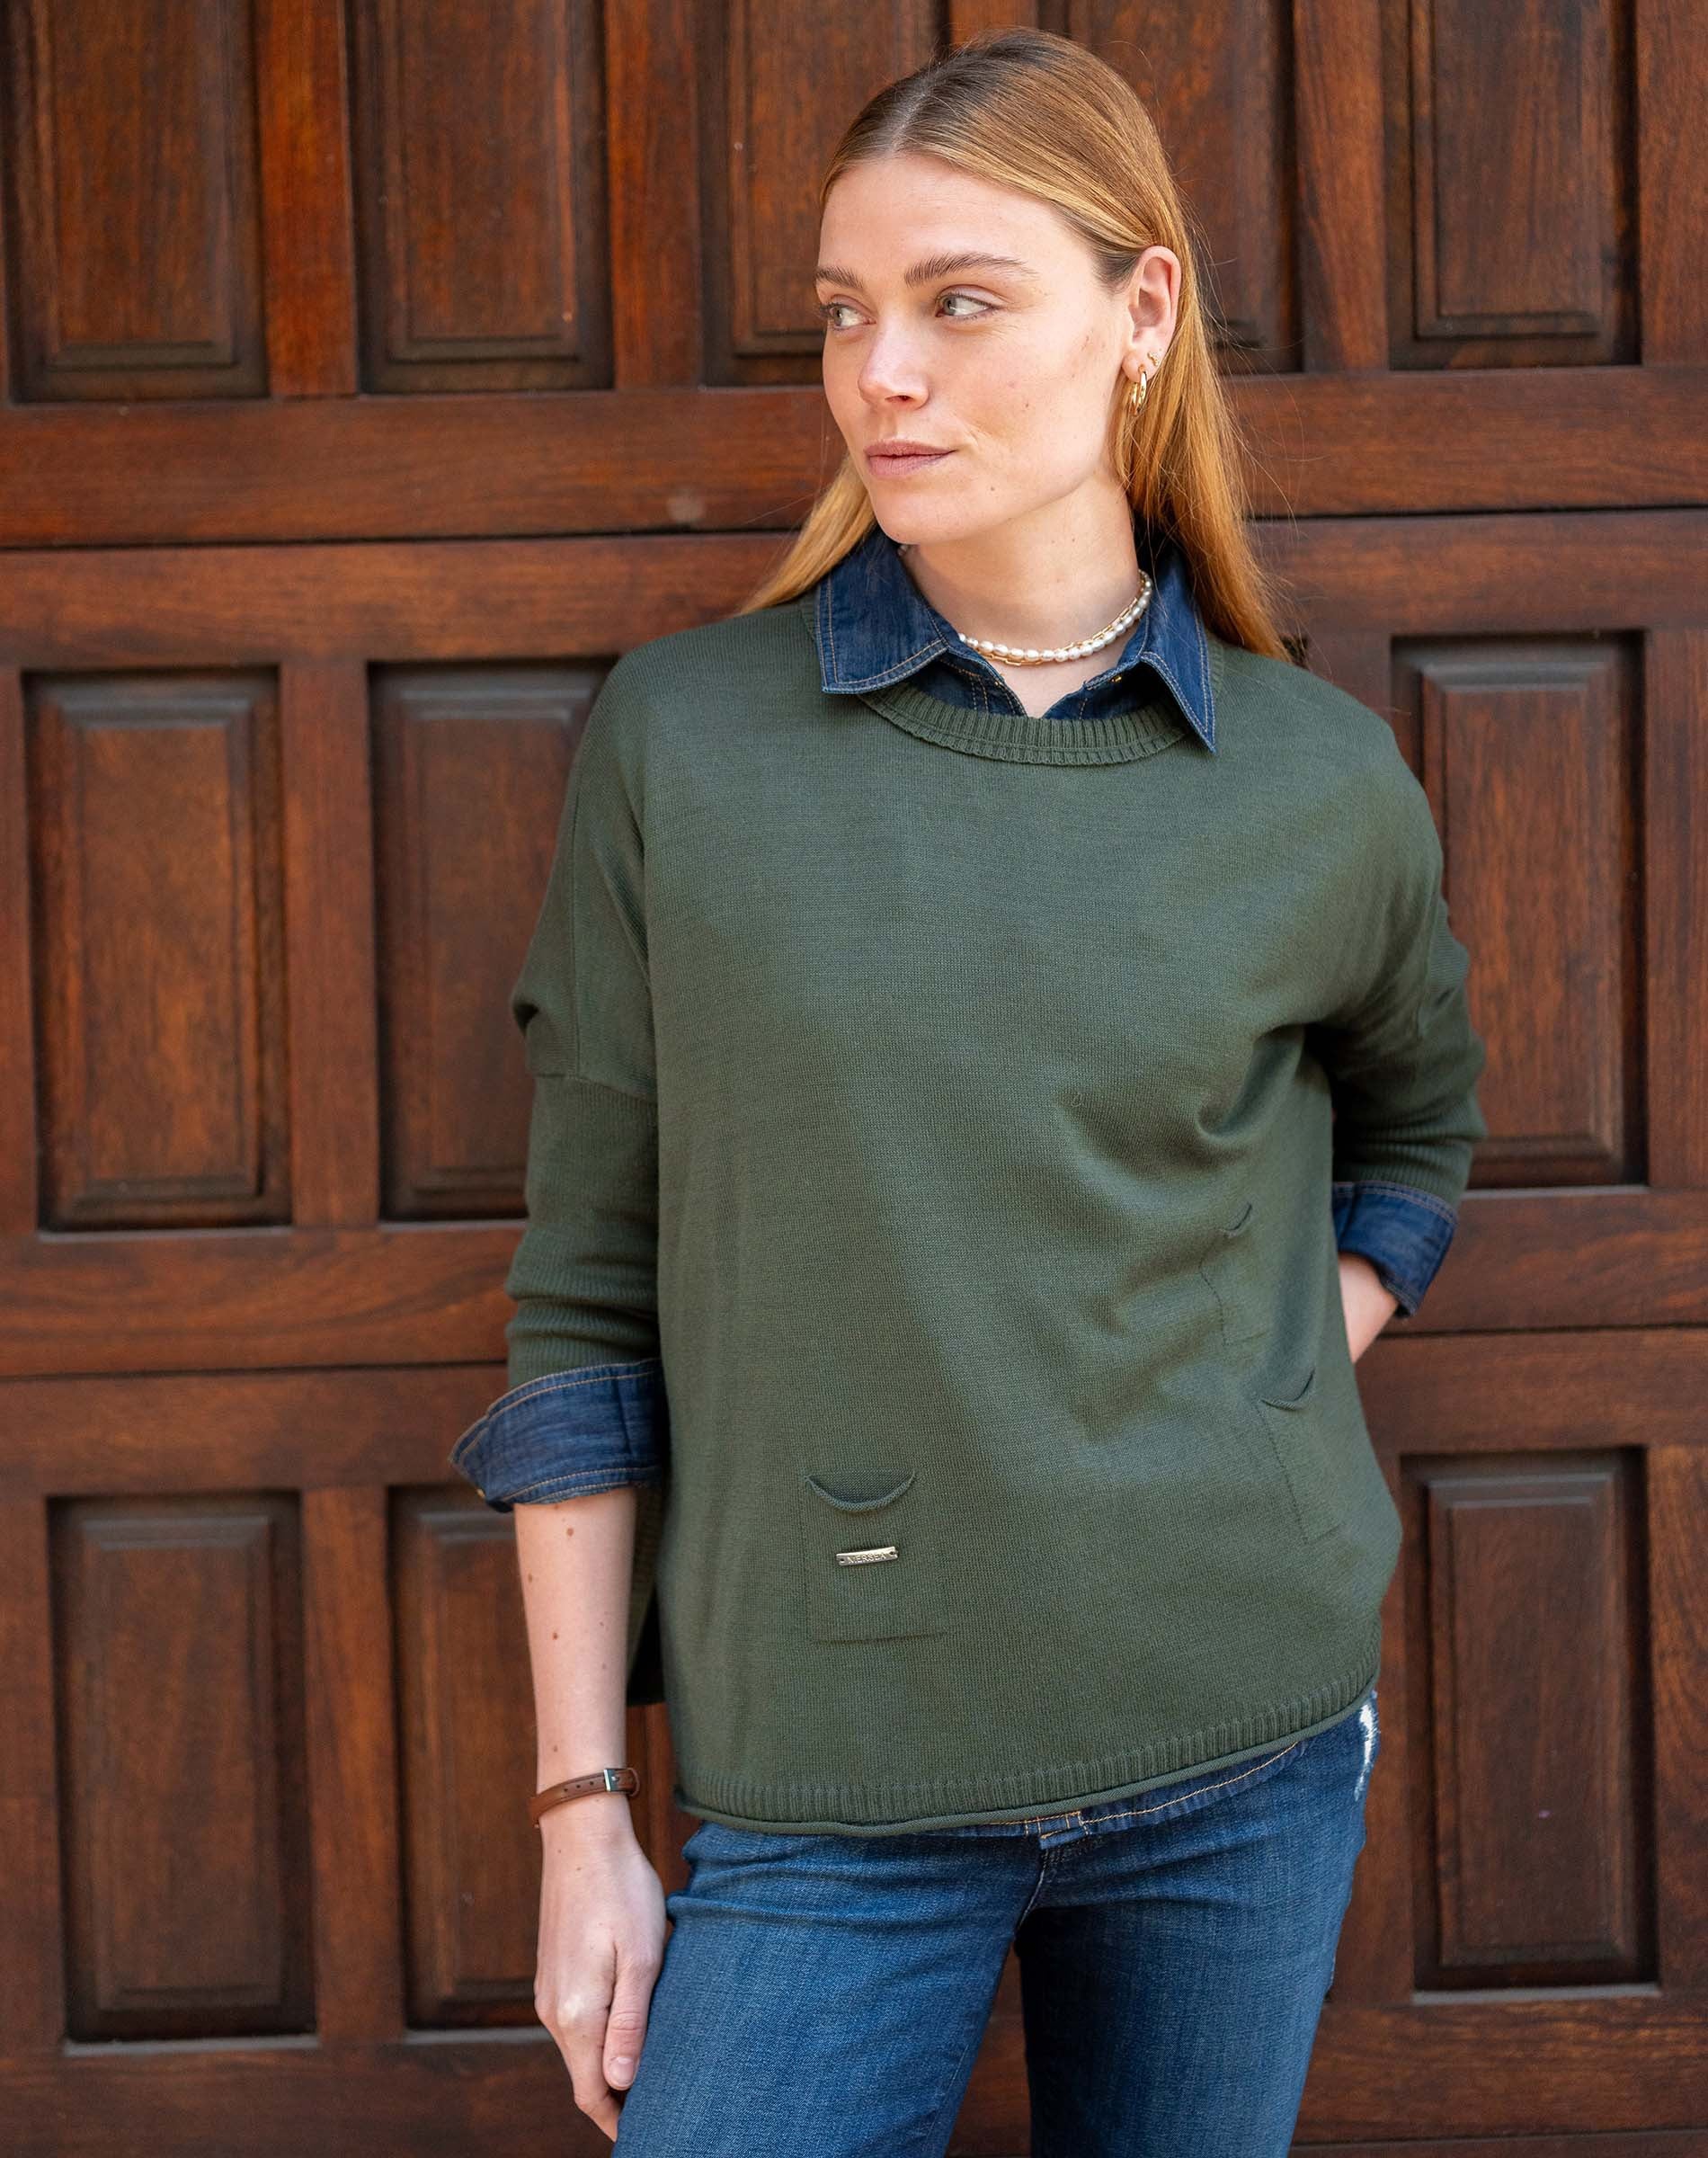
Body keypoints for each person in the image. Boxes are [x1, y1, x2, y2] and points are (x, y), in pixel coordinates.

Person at [448, 26, 1487, 2155]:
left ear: (1141, 311)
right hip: (829, 1786)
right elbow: (583, 1291)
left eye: (958, 301)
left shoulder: (1315, 780)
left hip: (1244, 1737)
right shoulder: (687, 747)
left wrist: (1274, 1365)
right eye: (844, 313)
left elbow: (1414, 1136)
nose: (881, 375)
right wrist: (579, 1809)